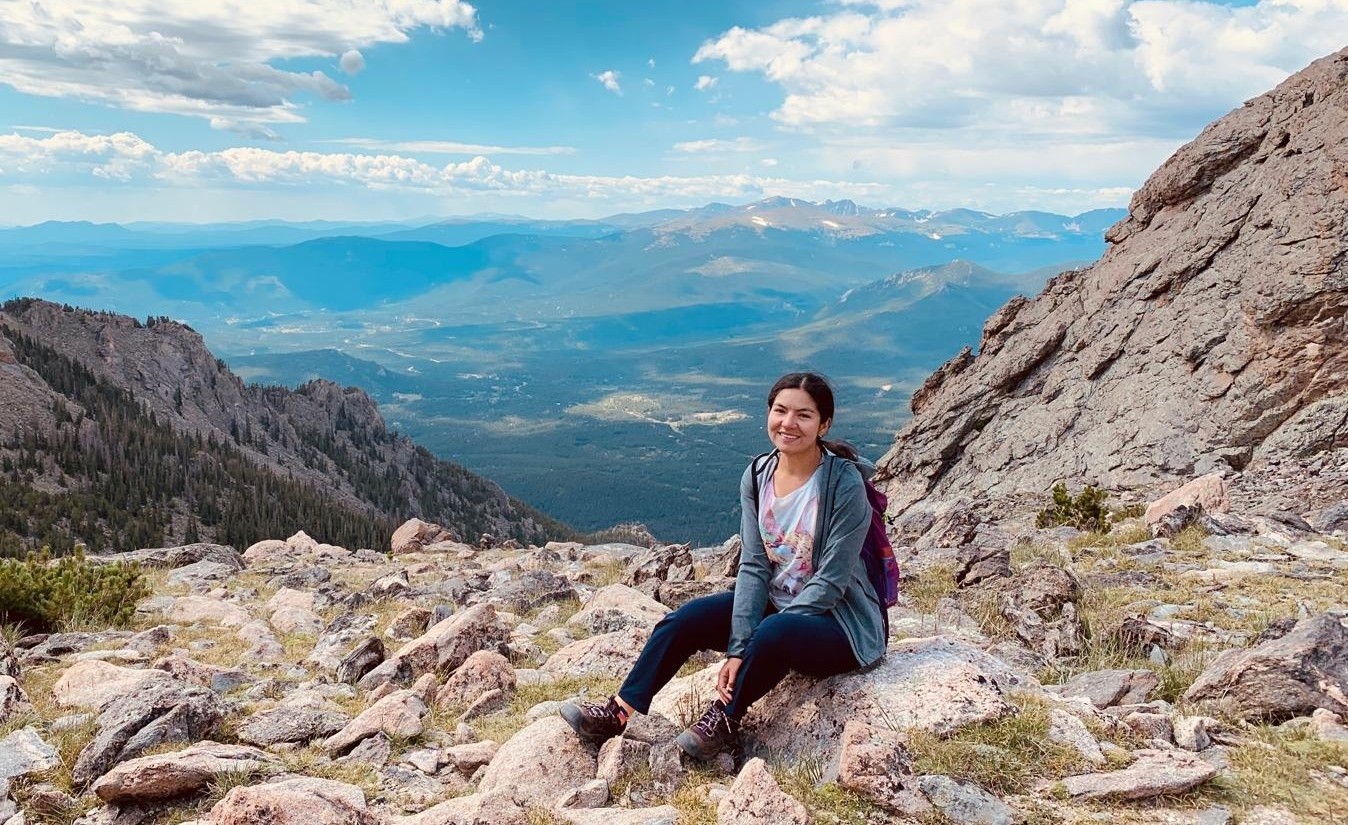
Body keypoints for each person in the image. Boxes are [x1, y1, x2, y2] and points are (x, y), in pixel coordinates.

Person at [560, 371, 887, 759]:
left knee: (773, 631)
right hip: (777, 608)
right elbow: (753, 564)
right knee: (686, 619)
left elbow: (832, 581)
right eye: (780, 410)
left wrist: (749, 647)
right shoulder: (758, 474)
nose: (788, 423)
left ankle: (725, 717)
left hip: (839, 624)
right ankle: (619, 711)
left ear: (824, 424)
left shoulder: (842, 485)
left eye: (804, 415)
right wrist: (739, 644)